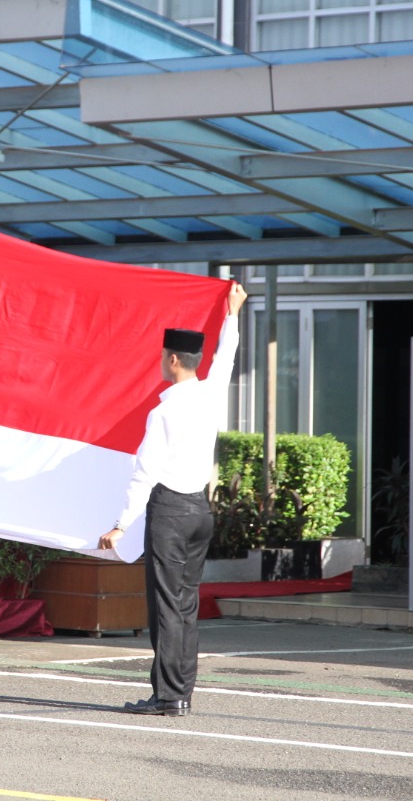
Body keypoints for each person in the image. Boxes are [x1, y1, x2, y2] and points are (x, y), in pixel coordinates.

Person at [99, 282, 248, 716]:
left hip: (169, 512)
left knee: (166, 607)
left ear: (174, 359)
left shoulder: (163, 411)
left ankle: (166, 696)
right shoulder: (212, 392)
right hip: (200, 511)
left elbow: (144, 473)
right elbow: (227, 357)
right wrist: (233, 313)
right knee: (185, 605)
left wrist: (122, 524)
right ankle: (180, 693)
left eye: (163, 357)